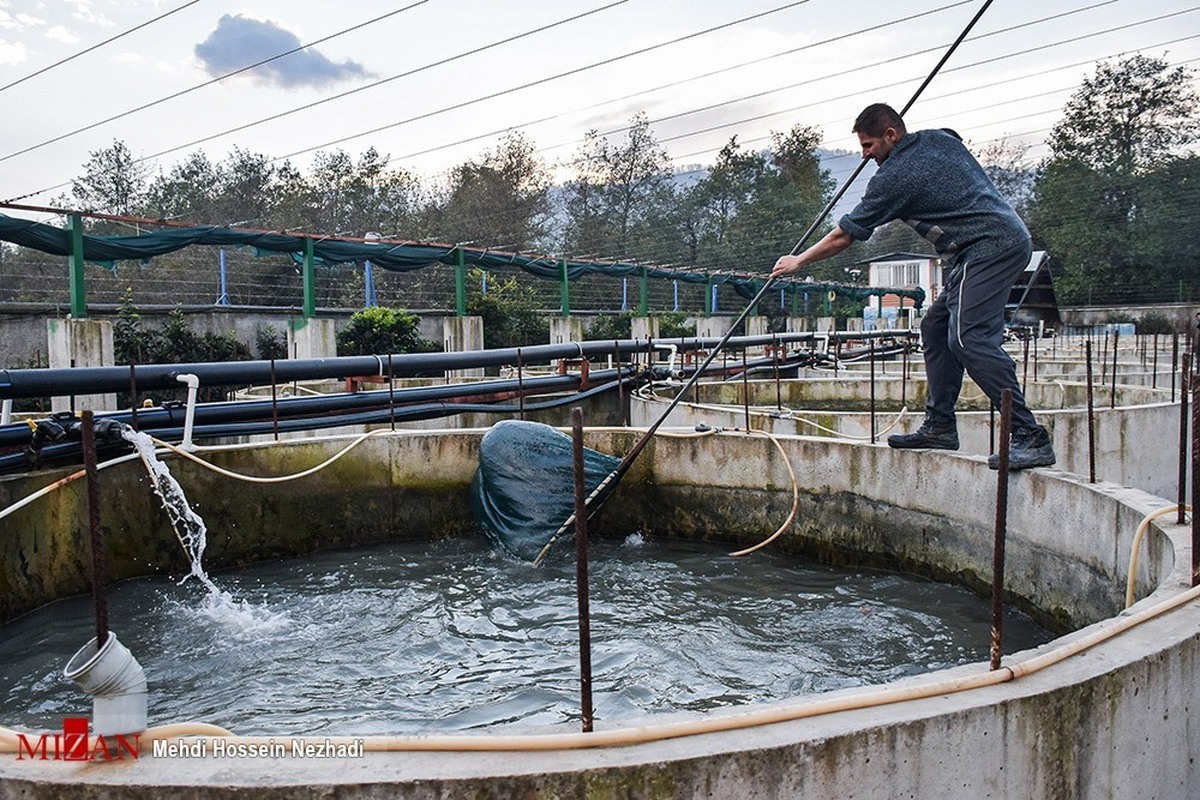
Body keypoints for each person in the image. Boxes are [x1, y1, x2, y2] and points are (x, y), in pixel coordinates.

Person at [771, 103, 1055, 470]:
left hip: (990, 245)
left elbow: (844, 235)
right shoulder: (938, 141)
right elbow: (952, 135)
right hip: (977, 249)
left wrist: (798, 261)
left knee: (969, 339)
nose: (865, 154)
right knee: (935, 328)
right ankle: (940, 426)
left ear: (891, 135)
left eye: (870, 145)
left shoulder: (895, 178)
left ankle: (1029, 435)